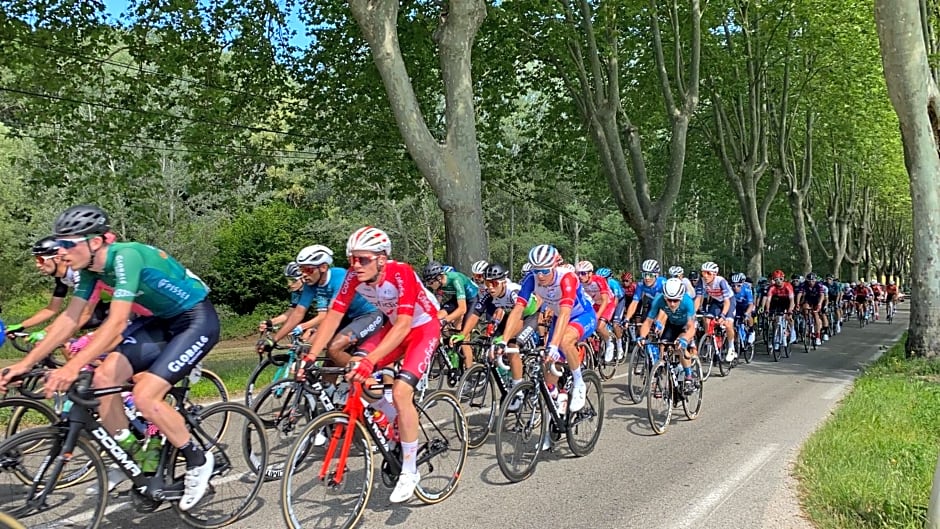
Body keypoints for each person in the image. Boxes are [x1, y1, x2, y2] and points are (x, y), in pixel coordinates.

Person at [0, 205, 217, 510]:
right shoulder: (89, 270)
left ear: (96, 241)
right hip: (161, 323)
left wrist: (72, 366)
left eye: (68, 243)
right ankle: (136, 454)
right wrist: (24, 364)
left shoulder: (126, 256)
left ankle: (198, 459)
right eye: (59, 243)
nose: (61, 251)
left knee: (145, 396)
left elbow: (116, 322)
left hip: (195, 320)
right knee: (103, 379)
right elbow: (70, 318)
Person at [298, 227, 440, 503]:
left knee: (400, 392)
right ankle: (392, 416)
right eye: (352, 259)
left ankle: (410, 472)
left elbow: (403, 325)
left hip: (422, 328)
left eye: (362, 259)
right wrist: (311, 356)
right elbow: (333, 317)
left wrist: (371, 360)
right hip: (393, 328)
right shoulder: (354, 276)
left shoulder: (402, 273)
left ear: (381, 259)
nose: (355, 265)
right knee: (354, 372)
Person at [501, 244, 597, 414]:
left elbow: (566, 313)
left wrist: (554, 344)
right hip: (558, 318)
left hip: (581, 316)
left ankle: (579, 383)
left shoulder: (567, 278)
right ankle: (556, 397)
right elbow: (518, 310)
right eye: (536, 270)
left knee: (565, 342)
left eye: (545, 271)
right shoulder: (531, 279)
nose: (540, 275)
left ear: (554, 266)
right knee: (548, 368)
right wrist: (503, 341)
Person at [636, 278, 698, 391]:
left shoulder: (687, 302)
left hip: (685, 325)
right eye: (669, 300)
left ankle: (689, 375)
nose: (672, 303)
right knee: (662, 346)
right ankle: (662, 379)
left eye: (675, 300)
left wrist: (685, 339)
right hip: (672, 323)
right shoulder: (658, 300)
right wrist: (642, 337)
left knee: (679, 346)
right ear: (665, 297)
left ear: (680, 298)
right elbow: (648, 322)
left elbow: (691, 327)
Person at [693, 261, 737, 362]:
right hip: (716, 301)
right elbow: (698, 299)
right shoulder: (701, 281)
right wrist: (692, 313)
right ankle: (709, 340)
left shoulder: (721, 281)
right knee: (707, 319)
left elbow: (727, 302)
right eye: (703, 273)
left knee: (728, 323)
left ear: (715, 274)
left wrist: (723, 315)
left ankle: (731, 348)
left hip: (729, 301)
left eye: (708, 273)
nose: (705, 276)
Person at [257, 262, 307, 332]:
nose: (289, 284)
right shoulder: (296, 292)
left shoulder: (316, 289)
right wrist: (270, 322)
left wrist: (303, 327)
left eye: (293, 280)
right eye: (287, 280)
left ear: (303, 278)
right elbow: (291, 312)